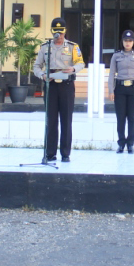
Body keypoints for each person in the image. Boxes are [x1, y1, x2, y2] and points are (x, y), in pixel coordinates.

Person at [33, 17, 86, 163]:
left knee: (66, 120)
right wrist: (42, 75)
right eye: (56, 33)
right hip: (51, 86)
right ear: (52, 32)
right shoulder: (45, 47)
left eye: (61, 33)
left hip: (66, 86)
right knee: (51, 121)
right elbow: (36, 66)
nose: (59, 36)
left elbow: (81, 63)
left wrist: (73, 69)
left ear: (65, 32)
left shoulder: (72, 47)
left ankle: (65, 153)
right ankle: (50, 153)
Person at [109, 29, 134, 154]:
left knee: (132, 118)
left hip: (133, 89)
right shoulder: (116, 55)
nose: (128, 43)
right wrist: (110, 90)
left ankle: (130, 144)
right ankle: (121, 144)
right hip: (119, 88)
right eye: (125, 40)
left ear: (133, 42)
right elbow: (111, 74)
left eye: (130, 41)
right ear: (122, 42)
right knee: (120, 118)